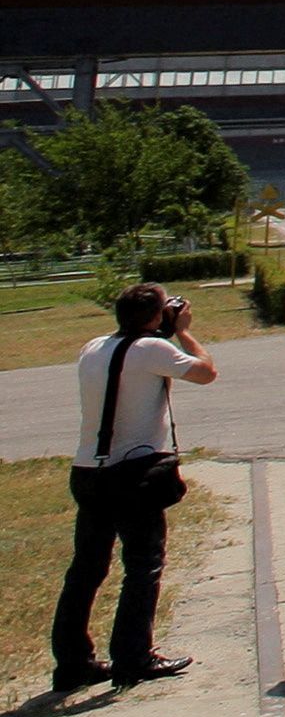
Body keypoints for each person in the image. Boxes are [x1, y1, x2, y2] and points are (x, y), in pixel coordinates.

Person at [53, 284, 216, 693]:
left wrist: (162, 329)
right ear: (157, 316)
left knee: (86, 569)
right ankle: (134, 657)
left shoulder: (93, 347)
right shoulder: (153, 349)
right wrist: (183, 331)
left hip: (88, 469)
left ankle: (72, 663)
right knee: (143, 565)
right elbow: (206, 372)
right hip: (132, 473)